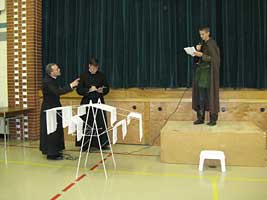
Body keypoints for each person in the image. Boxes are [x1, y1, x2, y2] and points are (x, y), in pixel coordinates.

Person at [40, 63, 79, 160]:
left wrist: (72, 86)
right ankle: (51, 154)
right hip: (49, 110)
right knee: (51, 130)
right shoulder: (47, 81)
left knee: (57, 130)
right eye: (57, 69)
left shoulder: (53, 80)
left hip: (55, 108)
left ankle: (56, 151)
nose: (59, 70)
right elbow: (57, 91)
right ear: (51, 72)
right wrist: (71, 85)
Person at [76, 57, 110, 151]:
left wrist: (102, 90)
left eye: (96, 68)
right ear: (89, 66)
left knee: (100, 122)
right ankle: (85, 144)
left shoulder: (102, 75)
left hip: (98, 101)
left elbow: (107, 88)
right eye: (93, 68)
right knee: (87, 123)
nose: (94, 70)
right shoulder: (83, 76)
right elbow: (79, 90)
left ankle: (102, 143)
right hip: (87, 102)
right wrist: (88, 90)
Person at [192, 26, 220, 126]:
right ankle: (200, 117)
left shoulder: (212, 43)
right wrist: (196, 52)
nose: (201, 36)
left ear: (208, 33)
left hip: (209, 75)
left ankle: (213, 119)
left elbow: (214, 59)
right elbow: (197, 60)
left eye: (203, 34)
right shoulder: (202, 44)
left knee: (210, 96)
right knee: (201, 97)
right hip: (201, 75)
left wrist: (201, 55)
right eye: (200, 34)